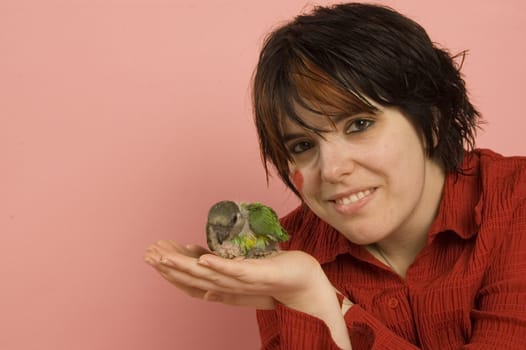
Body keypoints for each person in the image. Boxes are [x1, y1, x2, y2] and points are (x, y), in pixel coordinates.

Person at [144, 3, 526, 349]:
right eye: (302, 145)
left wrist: (322, 303)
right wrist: (303, 291)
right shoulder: (288, 259)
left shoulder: (515, 200)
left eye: (359, 124)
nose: (332, 169)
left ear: (432, 122)